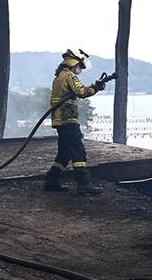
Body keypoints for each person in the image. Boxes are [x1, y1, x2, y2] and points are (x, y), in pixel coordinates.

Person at [43, 49, 105, 195]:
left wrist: (94, 86)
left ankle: (51, 181)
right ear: (74, 63)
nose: (80, 70)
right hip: (68, 119)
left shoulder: (59, 77)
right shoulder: (70, 75)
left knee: (64, 154)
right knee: (78, 151)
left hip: (60, 120)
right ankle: (84, 183)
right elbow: (81, 92)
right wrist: (96, 88)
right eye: (80, 67)